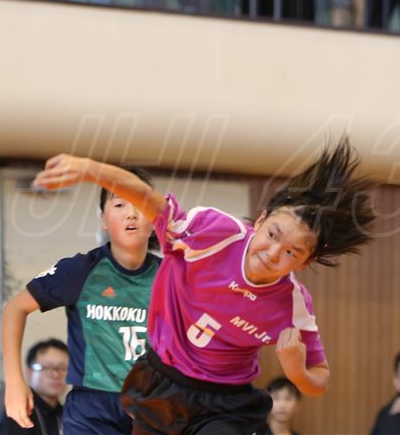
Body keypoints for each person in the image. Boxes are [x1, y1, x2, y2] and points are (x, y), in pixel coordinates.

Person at [32, 136, 377, 434]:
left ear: (305, 262)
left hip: (225, 403)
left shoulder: (293, 302)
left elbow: (320, 378)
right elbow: (150, 200)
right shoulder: (214, 233)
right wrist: (90, 169)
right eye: (272, 235)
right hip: (161, 383)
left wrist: (296, 371)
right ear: (260, 221)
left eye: (291, 252)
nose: (273, 253)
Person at [2, 166, 160, 434]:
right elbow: (15, 308)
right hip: (91, 408)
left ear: (156, 218)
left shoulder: (170, 277)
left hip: (151, 402)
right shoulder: (81, 270)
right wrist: (14, 381)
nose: (131, 213)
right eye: (119, 204)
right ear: (103, 219)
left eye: (141, 204)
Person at [0, 339, 69, 435]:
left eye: (62, 368)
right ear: (30, 372)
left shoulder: (69, 415)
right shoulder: (19, 413)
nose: (56, 374)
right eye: (47, 367)